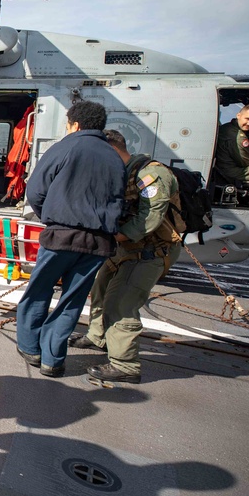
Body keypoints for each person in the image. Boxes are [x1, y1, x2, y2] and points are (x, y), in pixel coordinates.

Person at [15, 101, 126, 378]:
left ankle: (31, 348)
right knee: (72, 300)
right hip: (99, 242)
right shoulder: (114, 156)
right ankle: (53, 360)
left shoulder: (66, 146)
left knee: (38, 291)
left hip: (61, 235)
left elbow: (36, 190)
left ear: (74, 124)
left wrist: (51, 217)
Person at [69, 130, 183, 384]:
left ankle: (126, 365)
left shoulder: (151, 175)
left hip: (149, 251)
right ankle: (99, 336)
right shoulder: (120, 173)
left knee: (121, 303)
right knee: (100, 290)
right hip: (125, 247)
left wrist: (110, 239)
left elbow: (149, 219)